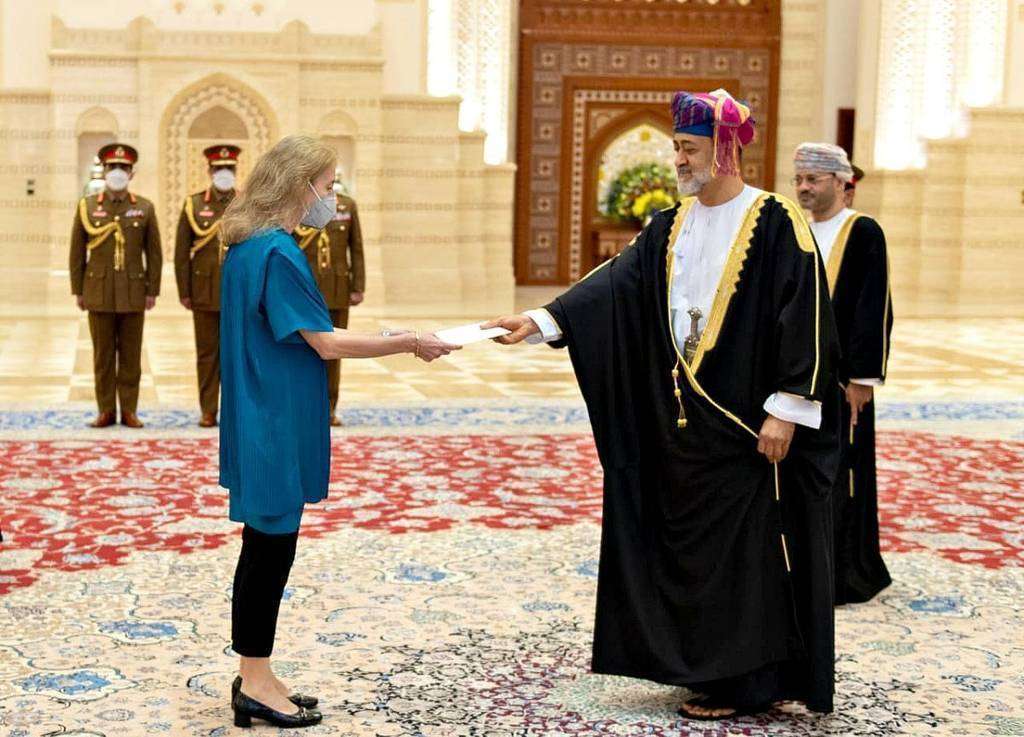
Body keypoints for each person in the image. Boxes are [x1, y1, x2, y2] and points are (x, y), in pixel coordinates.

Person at [486, 89, 840, 720]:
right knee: (690, 550)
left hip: (745, 424)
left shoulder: (778, 221)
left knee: (744, 553)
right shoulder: (668, 224)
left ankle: (747, 680)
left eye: (690, 148)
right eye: (677, 146)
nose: (678, 158)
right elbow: (613, 287)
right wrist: (541, 320)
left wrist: (785, 408)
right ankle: (698, 665)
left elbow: (806, 316)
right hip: (679, 420)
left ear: (726, 151)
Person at [217, 134, 459, 730]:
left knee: (264, 546)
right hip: (275, 420)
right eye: (327, 186)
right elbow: (324, 342)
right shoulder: (278, 253)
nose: (332, 196)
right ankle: (253, 680)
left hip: (259, 411)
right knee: (270, 551)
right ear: (300, 186)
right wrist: (407, 341)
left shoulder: (247, 247)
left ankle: (259, 671)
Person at [795, 143, 892, 604]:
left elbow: (874, 308)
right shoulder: (797, 230)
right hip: (803, 379)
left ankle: (847, 572)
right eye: (799, 179)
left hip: (844, 383)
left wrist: (861, 379)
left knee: (844, 476)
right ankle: (806, 568)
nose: (804, 188)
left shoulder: (863, 231)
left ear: (841, 181)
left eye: (813, 179)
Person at [69, 143, 161, 428]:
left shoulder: (144, 207)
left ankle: (130, 410)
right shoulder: (88, 207)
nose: (117, 172)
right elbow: (76, 251)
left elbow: (154, 253)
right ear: (104, 171)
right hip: (98, 291)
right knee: (103, 356)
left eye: (123, 168)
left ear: (131, 173)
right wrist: (79, 289)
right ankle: (106, 410)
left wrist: (152, 290)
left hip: (133, 292)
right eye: (112, 167)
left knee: (131, 356)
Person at [292, 166, 366, 426]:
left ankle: (329, 408)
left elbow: (355, 249)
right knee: (305, 351)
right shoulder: (300, 208)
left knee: (335, 352)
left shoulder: (347, 206)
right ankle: (305, 406)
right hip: (308, 291)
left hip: (337, 290)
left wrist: (358, 285)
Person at [174, 144, 242, 428]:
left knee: (238, 355)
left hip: (240, 294)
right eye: (218, 169)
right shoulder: (194, 205)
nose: (223, 174)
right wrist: (185, 291)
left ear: (236, 171)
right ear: (209, 171)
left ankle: (237, 411)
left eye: (228, 169)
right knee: (207, 355)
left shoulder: (247, 203)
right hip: (204, 293)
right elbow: (181, 252)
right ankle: (208, 410)